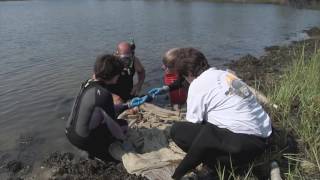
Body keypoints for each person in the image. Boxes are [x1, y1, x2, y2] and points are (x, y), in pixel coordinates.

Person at [150, 48, 272, 179]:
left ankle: (219, 165)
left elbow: (194, 123)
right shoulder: (226, 74)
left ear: (189, 73)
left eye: (184, 75)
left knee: (178, 130)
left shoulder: (197, 85)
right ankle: (229, 161)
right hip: (264, 137)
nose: (185, 79)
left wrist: (177, 175)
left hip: (242, 148)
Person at [65, 54, 147, 162]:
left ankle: (90, 150)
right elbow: (112, 125)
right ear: (114, 75)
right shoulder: (105, 94)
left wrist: (127, 105)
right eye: (119, 74)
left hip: (69, 133)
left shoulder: (86, 83)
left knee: (99, 120)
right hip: (83, 140)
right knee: (123, 125)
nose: (119, 76)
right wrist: (124, 140)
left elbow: (97, 109)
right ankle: (99, 153)